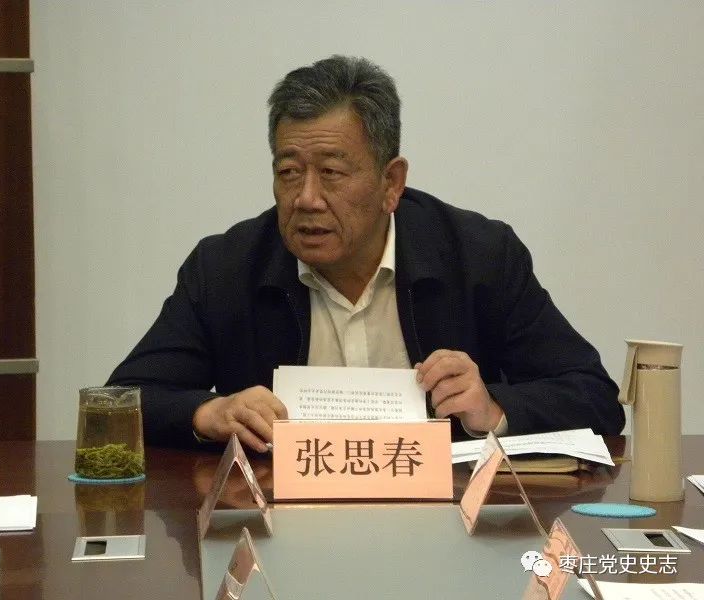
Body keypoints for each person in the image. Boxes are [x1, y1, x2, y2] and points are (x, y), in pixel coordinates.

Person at [108, 55, 624, 451]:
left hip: (443, 523)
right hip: (281, 525)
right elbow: (121, 403)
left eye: (331, 172)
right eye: (288, 172)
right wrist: (210, 414)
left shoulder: (480, 256)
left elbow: (593, 395)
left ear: (391, 183)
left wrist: (492, 408)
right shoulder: (225, 268)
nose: (306, 198)